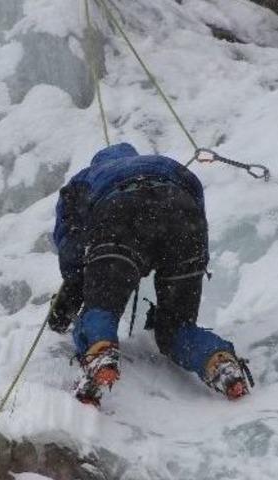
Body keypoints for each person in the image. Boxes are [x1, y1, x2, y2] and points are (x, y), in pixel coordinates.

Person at [48, 142, 252, 406]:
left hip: (119, 215)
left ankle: (100, 351)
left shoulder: (85, 179)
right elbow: (196, 205)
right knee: (176, 327)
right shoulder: (165, 164)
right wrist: (188, 261)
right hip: (182, 216)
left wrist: (73, 294)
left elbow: (71, 243)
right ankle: (218, 361)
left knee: (102, 310)